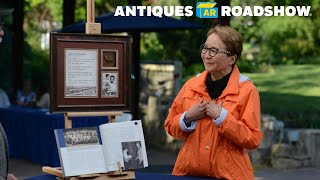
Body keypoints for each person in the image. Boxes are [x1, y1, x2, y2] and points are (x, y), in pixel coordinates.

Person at [164, 25, 262, 180]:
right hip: (188, 173)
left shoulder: (247, 90)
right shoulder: (191, 85)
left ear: (232, 58)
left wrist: (223, 118)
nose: (206, 55)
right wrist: (187, 117)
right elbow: (170, 127)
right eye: (205, 48)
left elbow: (253, 139)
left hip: (230, 176)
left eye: (214, 51)